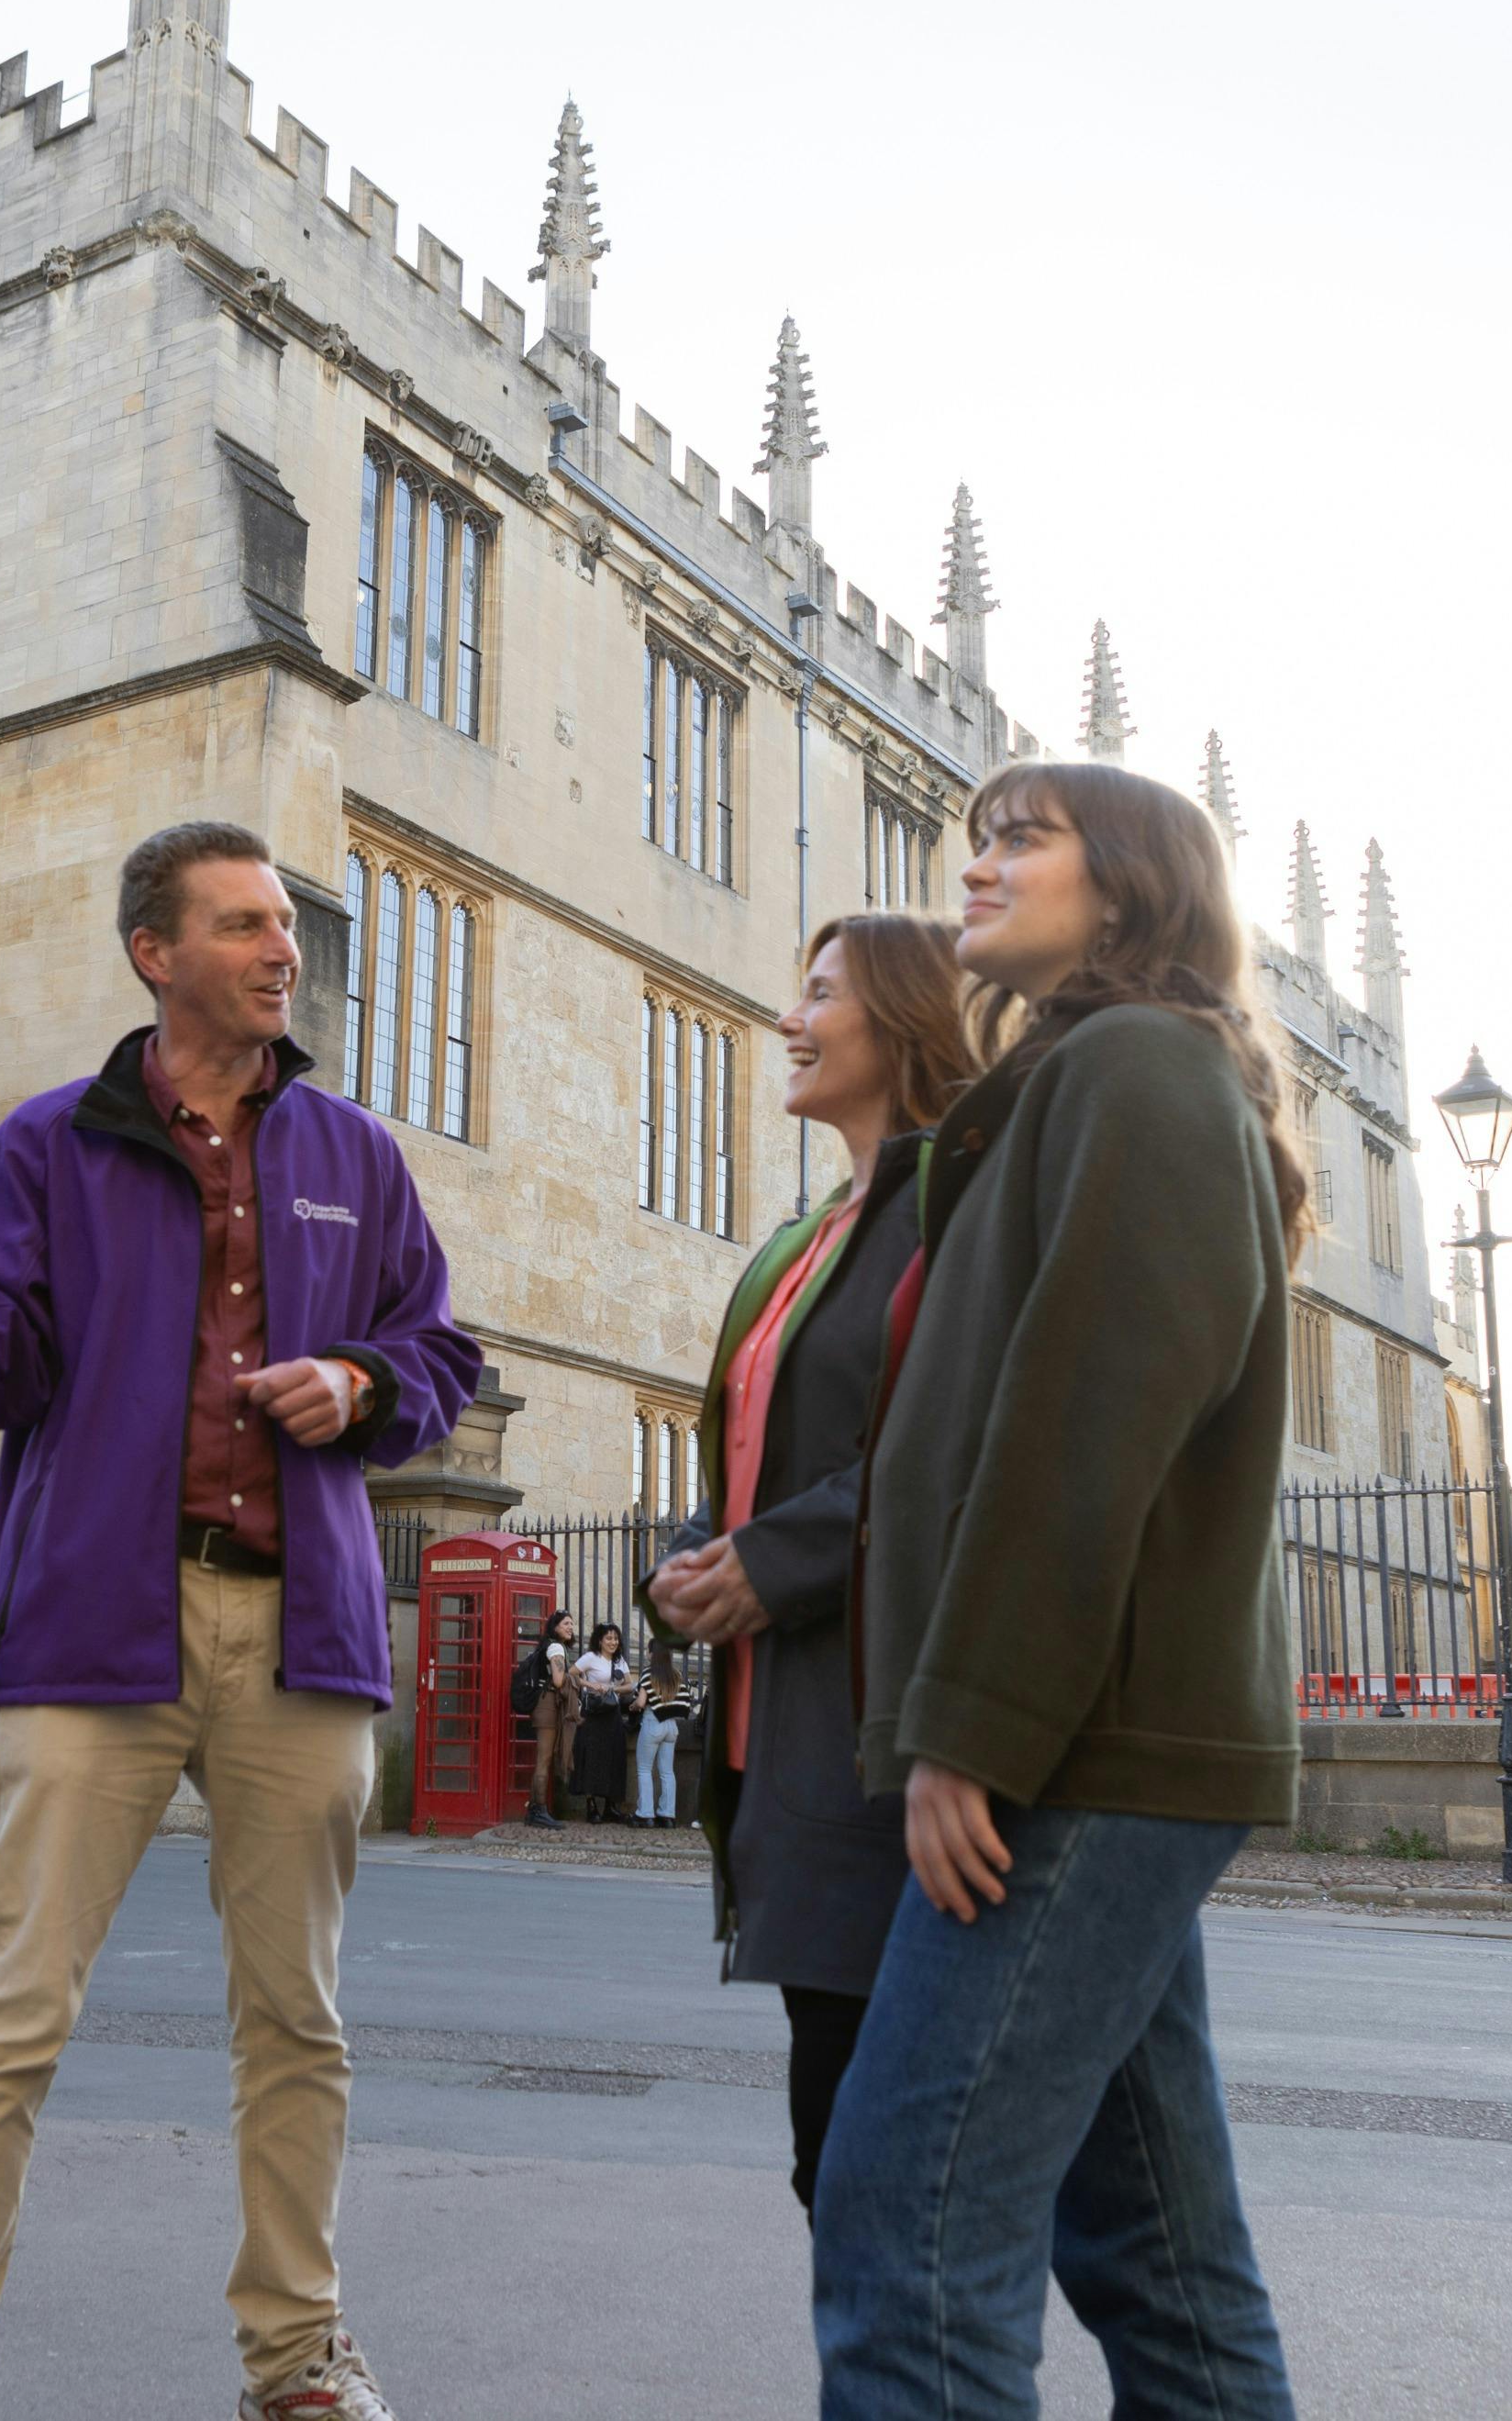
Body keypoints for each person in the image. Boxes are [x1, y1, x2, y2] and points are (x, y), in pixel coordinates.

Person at [0, 821, 478, 2421]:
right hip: (104, 1621)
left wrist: (362, 1381)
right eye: (241, 924)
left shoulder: (355, 1159)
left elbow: (438, 1354)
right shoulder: (46, 1148)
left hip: (301, 1636)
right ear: (155, 953)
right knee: (13, 2014)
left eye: (285, 923)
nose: (279, 947)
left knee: (296, 2020)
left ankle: (296, 2361)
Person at [815, 763, 1301, 2417]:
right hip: (1092, 1737)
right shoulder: (1068, 1089)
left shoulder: (1142, 1072)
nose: (977, 864)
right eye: (975, 837)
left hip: (1081, 1743)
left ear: (1136, 887)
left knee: (911, 2216)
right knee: (1154, 2256)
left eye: (1022, 837)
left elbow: (1088, 1424)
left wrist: (974, 1728)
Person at [644, 911, 976, 2219]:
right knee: (831, 2162)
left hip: (881, 1745)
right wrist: (688, 1563)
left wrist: (774, 1564)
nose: (790, 1016)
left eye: (822, 992)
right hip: (775, 1748)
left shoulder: (958, 1205)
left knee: (880, 2175)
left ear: (901, 1017)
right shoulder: (800, 1241)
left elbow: (959, 1448)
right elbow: (744, 1467)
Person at [571, 1622, 637, 1824]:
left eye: (615, 1638)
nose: (613, 1642)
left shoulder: (620, 1661)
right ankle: (591, 1806)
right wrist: (591, 1684)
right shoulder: (591, 1658)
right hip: (593, 1714)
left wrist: (612, 1689)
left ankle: (610, 1806)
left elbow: (630, 1685)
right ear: (599, 1640)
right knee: (591, 1757)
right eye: (608, 1638)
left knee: (612, 1758)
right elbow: (571, 1674)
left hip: (612, 1714)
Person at [526, 1608, 581, 1829]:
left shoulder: (549, 1646)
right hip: (548, 1705)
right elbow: (558, 1681)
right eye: (566, 1623)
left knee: (544, 1760)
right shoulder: (556, 1647)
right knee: (544, 1760)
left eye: (572, 1624)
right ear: (555, 1627)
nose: (570, 1627)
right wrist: (574, 1679)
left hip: (545, 1705)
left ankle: (534, 1810)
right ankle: (538, 1811)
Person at [632, 1644, 688, 1828]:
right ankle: (667, 1815)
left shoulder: (648, 1673)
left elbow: (641, 1702)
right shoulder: (676, 1674)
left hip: (652, 1722)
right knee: (667, 1771)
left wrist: (632, 1706)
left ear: (650, 1654)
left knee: (644, 1769)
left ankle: (645, 1814)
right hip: (671, 1727)